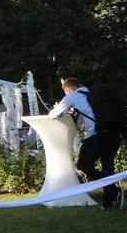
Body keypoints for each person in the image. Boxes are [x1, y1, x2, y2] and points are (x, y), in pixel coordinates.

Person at [49, 78, 123, 210]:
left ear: (68, 90)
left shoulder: (72, 96)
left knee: (83, 164)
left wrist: (61, 107)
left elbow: (53, 115)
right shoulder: (93, 94)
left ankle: (112, 190)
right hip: (114, 134)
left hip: (97, 136)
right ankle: (109, 202)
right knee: (108, 166)